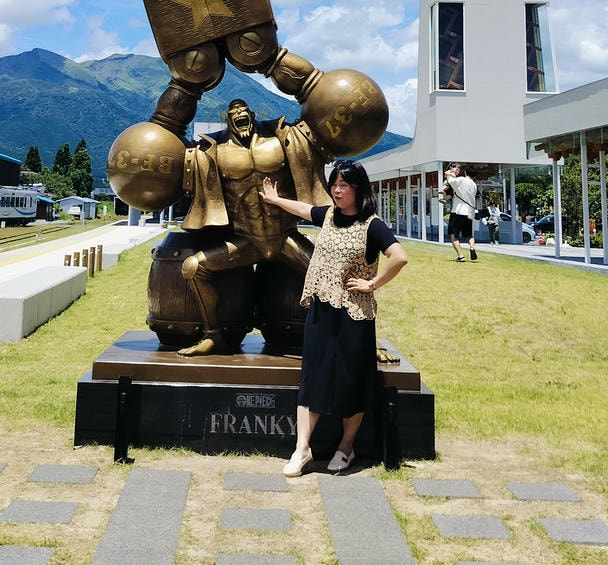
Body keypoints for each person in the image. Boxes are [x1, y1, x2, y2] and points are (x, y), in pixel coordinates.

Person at [259, 160, 407, 477]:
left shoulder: (373, 225)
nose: (337, 191)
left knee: (350, 383)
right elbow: (304, 209)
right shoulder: (328, 216)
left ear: (359, 189)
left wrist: (372, 283)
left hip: (354, 316)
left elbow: (399, 256)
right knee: (311, 378)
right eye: (334, 185)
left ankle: (346, 446)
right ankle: (302, 450)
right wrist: (274, 199)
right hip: (321, 311)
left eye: (344, 185)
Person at [175, 99, 331, 355]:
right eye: (234, 113)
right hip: (247, 240)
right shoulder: (213, 149)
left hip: (284, 237)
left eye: (244, 111)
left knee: (331, 276)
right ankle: (212, 335)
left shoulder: (281, 139)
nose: (240, 115)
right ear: (228, 119)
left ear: (252, 114)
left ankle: (359, 342)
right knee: (193, 267)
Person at [441, 164, 479, 261]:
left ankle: (460, 256)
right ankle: (472, 247)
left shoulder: (461, 180)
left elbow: (450, 181)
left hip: (458, 211)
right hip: (469, 212)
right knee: (469, 235)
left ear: (466, 172)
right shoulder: (474, 185)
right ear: (474, 176)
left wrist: (450, 173)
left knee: (453, 235)